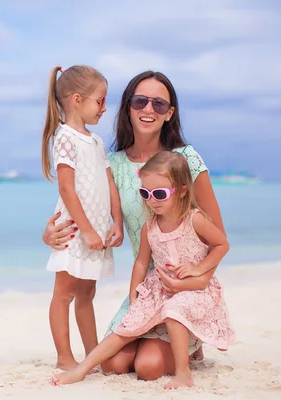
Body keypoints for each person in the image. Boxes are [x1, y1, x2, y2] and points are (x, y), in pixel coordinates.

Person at [42, 70, 226, 380]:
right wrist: (50, 233)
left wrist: (195, 278)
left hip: (184, 289)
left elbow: (217, 236)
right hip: (144, 289)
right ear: (128, 107)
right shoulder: (112, 162)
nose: (148, 109)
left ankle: (189, 343)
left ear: (170, 113)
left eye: (158, 103)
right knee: (112, 366)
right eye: (140, 101)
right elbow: (83, 198)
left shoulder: (186, 159)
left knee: (148, 367)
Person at [51, 151, 235, 389]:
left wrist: (200, 269)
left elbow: (221, 244)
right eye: (145, 193)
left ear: (181, 190)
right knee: (126, 327)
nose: (152, 200)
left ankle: (183, 372)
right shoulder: (150, 226)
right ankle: (82, 369)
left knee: (173, 309)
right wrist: (134, 292)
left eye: (159, 193)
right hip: (158, 289)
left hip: (194, 292)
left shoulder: (195, 219)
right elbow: (141, 261)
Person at [42, 65, 124, 371]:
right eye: (100, 101)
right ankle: (64, 356)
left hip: (98, 230)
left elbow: (109, 183)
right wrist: (87, 231)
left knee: (87, 293)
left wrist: (116, 222)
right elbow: (66, 187)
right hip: (76, 230)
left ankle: (93, 355)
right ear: (78, 99)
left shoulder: (97, 141)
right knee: (64, 294)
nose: (104, 108)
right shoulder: (65, 138)